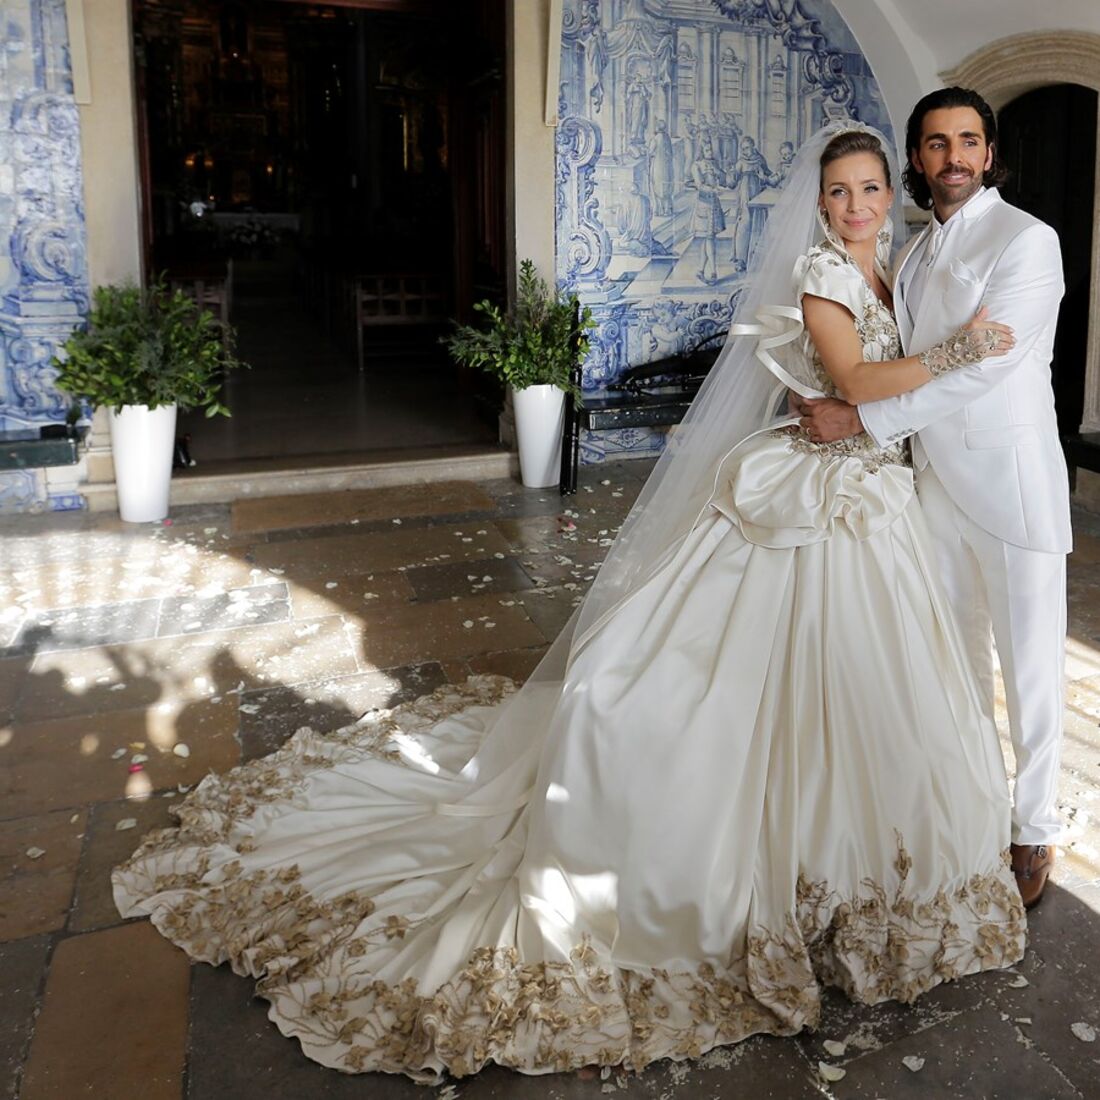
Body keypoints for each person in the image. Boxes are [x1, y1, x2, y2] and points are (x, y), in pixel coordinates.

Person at [113, 125, 1026, 1083]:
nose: (855, 205)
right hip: (813, 498)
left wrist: (911, 378)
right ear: (821, 199)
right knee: (723, 685)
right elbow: (852, 381)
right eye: (839, 191)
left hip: (874, 498)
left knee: (870, 690)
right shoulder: (823, 276)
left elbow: (872, 394)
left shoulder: (898, 266)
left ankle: (871, 876)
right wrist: (961, 350)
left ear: (896, 191)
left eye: (871, 187)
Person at [796, 88, 1069, 909]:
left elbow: (987, 366)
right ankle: (974, 802)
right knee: (953, 663)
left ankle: (1033, 826)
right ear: (917, 158)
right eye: (936, 142)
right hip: (929, 488)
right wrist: (834, 402)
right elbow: (898, 354)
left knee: (1030, 671)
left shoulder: (1029, 240)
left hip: (1010, 484)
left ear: (989, 154)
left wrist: (861, 418)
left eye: (968, 141)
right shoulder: (911, 251)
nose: (953, 156)